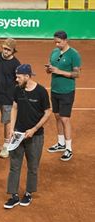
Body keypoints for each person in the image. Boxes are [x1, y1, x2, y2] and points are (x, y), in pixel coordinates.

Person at [4, 64, 51, 209]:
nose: (16, 79)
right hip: (18, 135)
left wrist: (35, 129)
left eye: (18, 77)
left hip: (35, 136)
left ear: (27, 76)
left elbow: (48, 112)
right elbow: (15, 107)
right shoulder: (17, 89)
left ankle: (29, 193)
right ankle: (14, 195)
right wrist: (11, 128)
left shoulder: (41, 91)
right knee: (14, 166)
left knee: (33, 167)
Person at [46, 30, 81, 161]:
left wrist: (59, 71)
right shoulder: (54, 52)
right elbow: (52, 68)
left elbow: (76, 74)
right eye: (55, 42)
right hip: (55, 90)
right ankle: (60, 143)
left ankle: (68, 148)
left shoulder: (74, 55)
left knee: (65, 119)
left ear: (66, 40)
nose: (56, 44)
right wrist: (49, 69)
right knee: (57, 117)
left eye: (59, 42)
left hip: (67, 91)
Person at [0, 38, 21, 158]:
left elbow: (19, 82)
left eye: (8, 49)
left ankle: (7, 145)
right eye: (4, 48)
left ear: (13, 51)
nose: (5, 51)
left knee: (7, 121)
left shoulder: (16, 64)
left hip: (8, 97)